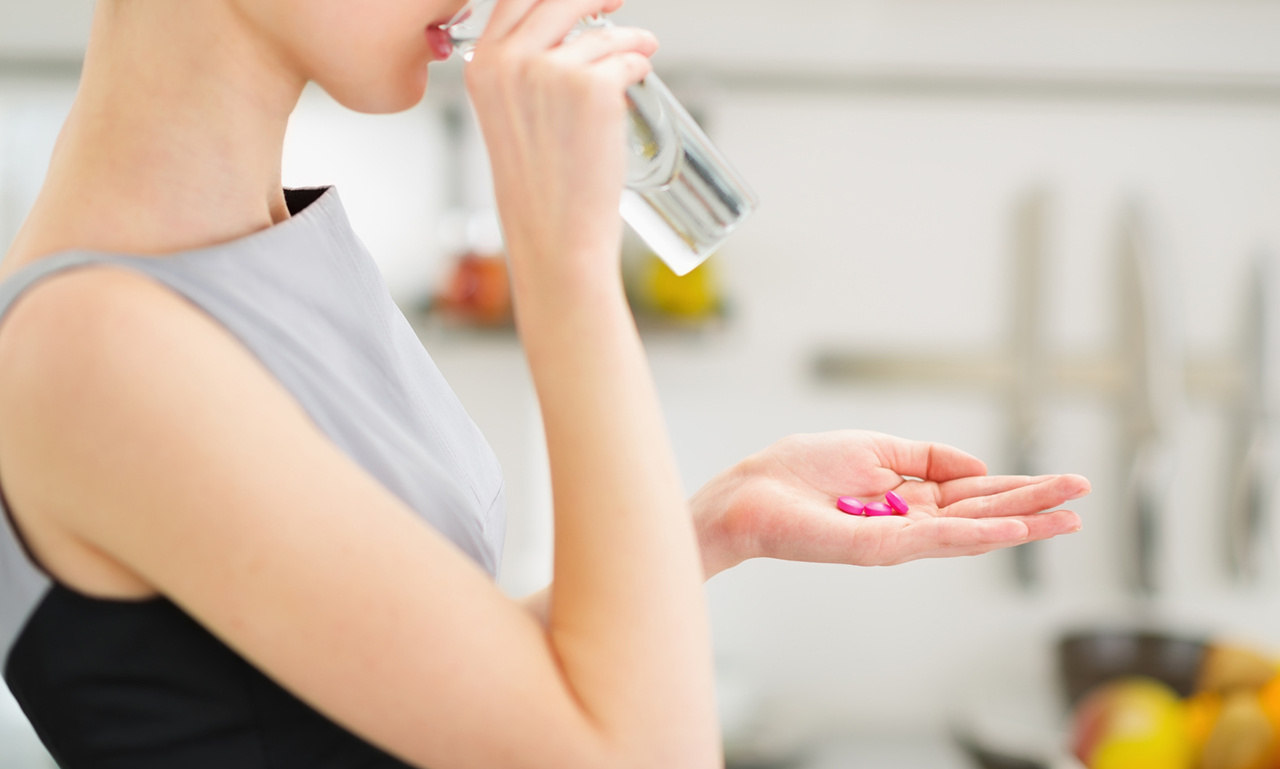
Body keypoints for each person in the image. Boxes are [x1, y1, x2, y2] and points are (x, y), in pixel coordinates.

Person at [0, 0, 1090, 766]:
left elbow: (382, 702)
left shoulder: (259, 239)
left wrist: (715, 521)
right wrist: (564, 265)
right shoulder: (94, 346)